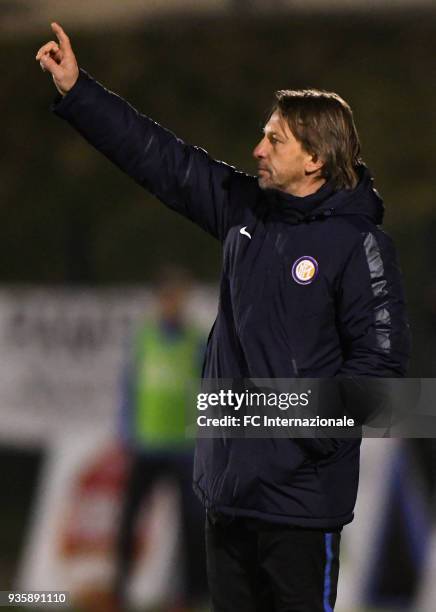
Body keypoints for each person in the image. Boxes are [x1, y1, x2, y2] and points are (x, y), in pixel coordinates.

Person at [36, 22, 410, 612]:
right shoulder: (244, 210)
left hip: (298, 509)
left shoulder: (359, 244)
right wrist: (78, 90)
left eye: (275, 140)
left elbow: (381, 372)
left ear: (315, 157)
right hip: (228, 497)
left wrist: (304, 436)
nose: (257, 149)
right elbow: (161, 158)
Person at [115, 266, 207, 611]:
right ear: (159, 300)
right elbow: (129, 389)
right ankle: (120, 589)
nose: (173, 303)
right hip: (147, 444)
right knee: (129, 518)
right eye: (168, 296)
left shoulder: (196, 341)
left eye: (179, 295)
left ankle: (193, 594)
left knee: (191, 525)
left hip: (185, 448)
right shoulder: (144, 338)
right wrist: (125, 433)